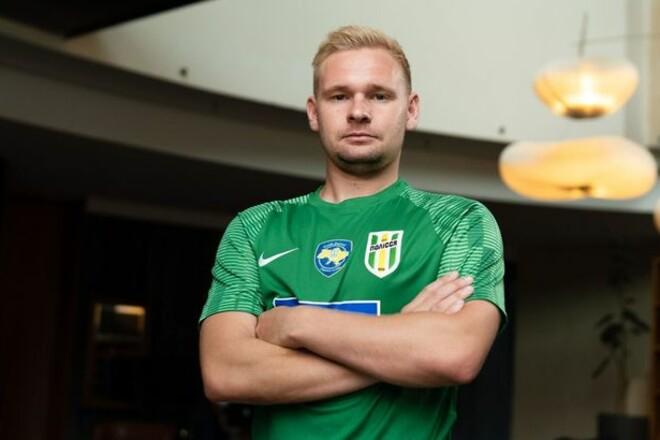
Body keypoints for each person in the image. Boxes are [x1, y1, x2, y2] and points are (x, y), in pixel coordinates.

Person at [199, 25, 506, 439]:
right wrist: (403, 337)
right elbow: (226, 373)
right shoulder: (254, 228)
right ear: (314, 112)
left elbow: (454, 355)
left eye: (379, 95)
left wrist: (296, 324)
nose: (358, 111)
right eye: (339, 96)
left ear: (411, 110)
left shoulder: (459, 222)